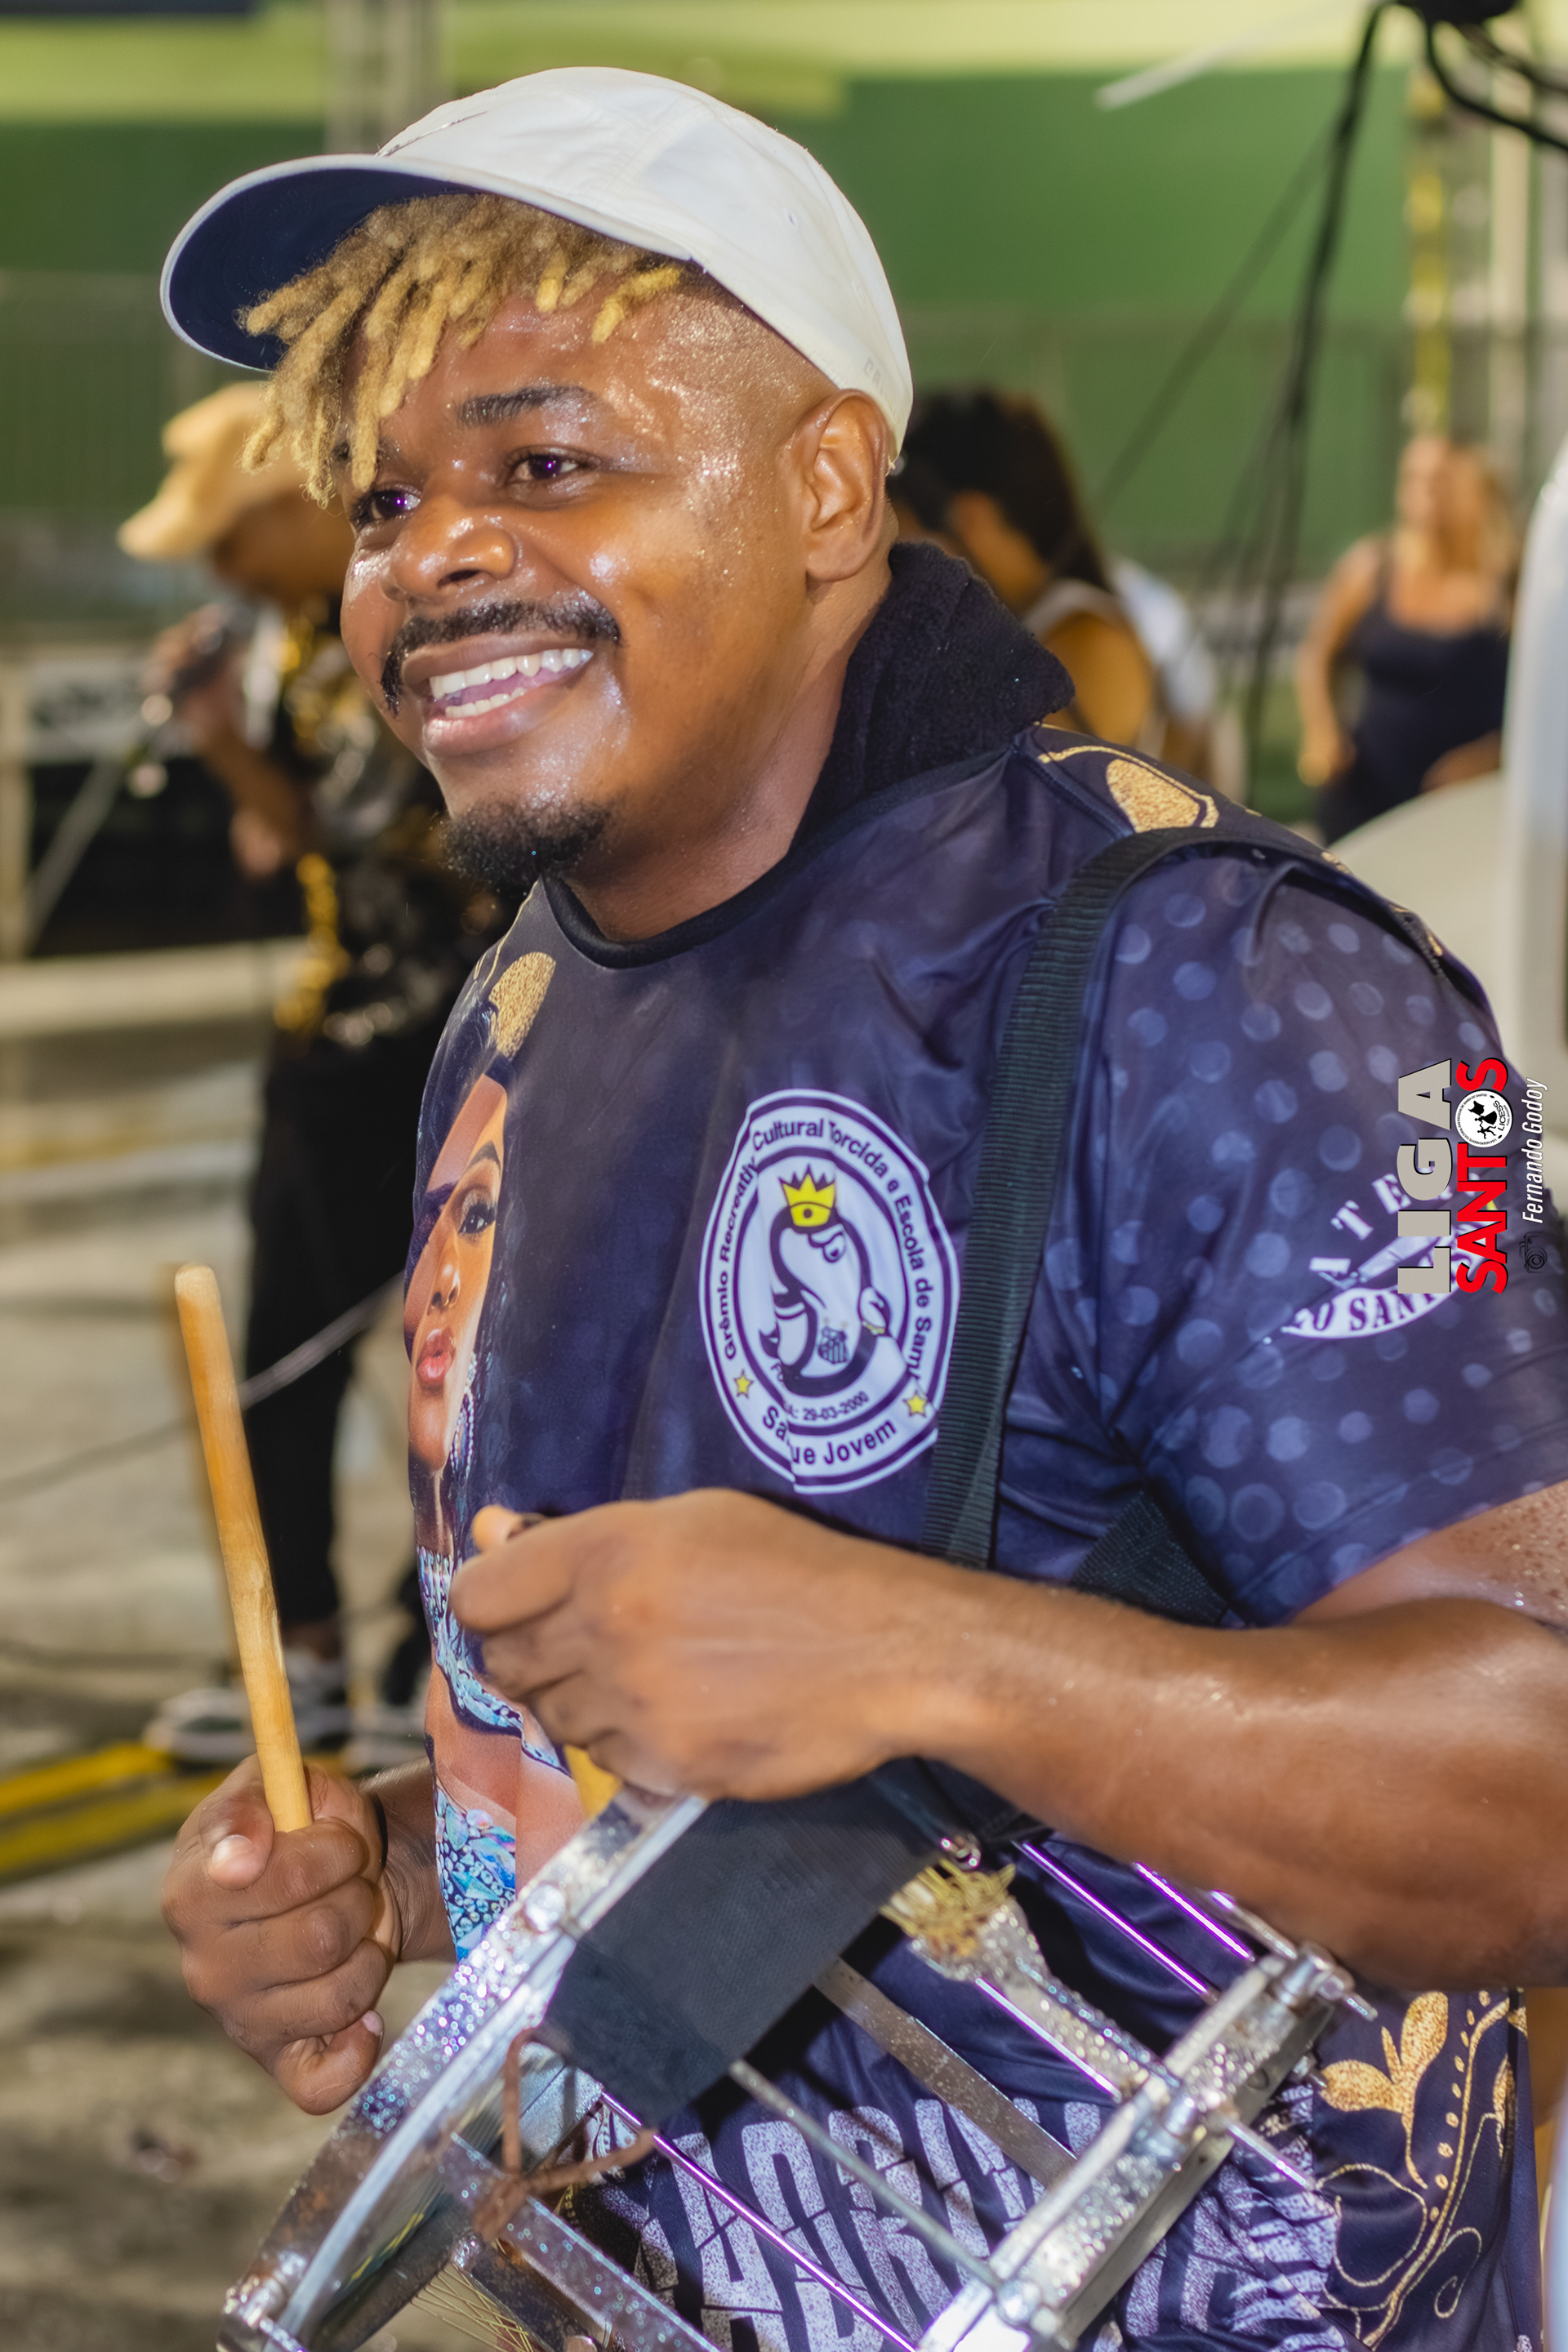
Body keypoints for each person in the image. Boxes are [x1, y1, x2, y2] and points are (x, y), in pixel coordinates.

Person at [158, 69, 1568, 2351]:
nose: (429, 559)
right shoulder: (516, 1009)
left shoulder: (1217, 979)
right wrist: (407, 1860)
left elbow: (1536, 1792)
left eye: (547, 463)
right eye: (386, 496)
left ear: (826, 486)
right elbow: (716, 1747)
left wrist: (908, 1650)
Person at [122, 385, 504, 1762]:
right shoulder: (297, 635)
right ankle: (324, 1648)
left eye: (231, 540)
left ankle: (413, 1646)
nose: (219, 571)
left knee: (446, 1356)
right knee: (305, 1356)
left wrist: (230, 748)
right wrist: (234, 748)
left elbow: (345, 816)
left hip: (426, 1044)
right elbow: (300, 836)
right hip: (349, 1038)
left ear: (298, 503)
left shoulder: (391, 616)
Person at [895, 390, 1167, 758]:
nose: (893, 553)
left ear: (970, 518)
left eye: (902, 530)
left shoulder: (1092, 643)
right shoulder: (1015, 626)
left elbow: (1026, 777)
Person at [1295, 434, 1515, 844]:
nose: (1427, 490)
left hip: (1459, 813)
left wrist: (1494, 756)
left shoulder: (1504, 586)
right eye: (1415, 477)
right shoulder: (1371, 569)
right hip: (1366, 795)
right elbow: (1317, 655)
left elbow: (1544, 695)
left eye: (1441, 478)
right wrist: (1322, 731)